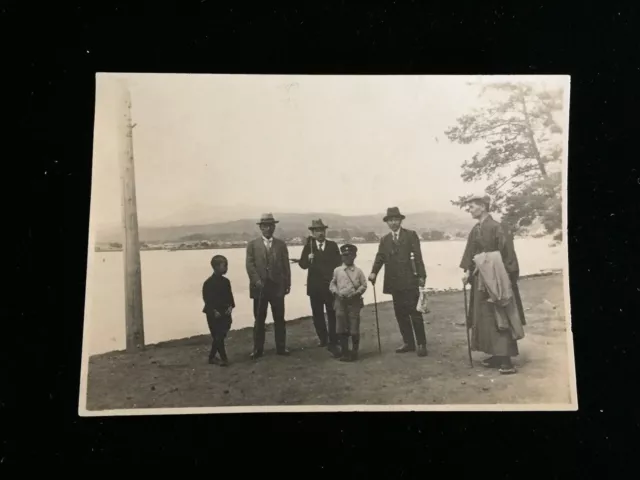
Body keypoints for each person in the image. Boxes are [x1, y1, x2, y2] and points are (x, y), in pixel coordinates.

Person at [460, 193, 527, 375]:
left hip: (497, 279)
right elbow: (470, 253)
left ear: (483, 206)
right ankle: (495, 354)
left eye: (472, 206)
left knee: (500, 315)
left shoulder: (498, 227)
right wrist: (467, 271)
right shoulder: (476, 229)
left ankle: (505, 359)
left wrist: (506, 280)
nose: (470, 210)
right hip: (480, 280)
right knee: (485, 316)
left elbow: (508, 256)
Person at [369, 207, 428, 357]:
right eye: (390, 220)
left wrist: (422, 276)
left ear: (400, 221)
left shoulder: (411, 235)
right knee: (400, 313)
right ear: (387, 223)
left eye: (396, 220)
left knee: (415, 313)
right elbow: (380, 257)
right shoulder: (385, 240)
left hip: (410, 281)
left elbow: (418, 257)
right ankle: (409, 342)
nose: (393, 223)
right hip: (394, 283)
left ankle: (421, 344)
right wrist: (374, 272)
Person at [245, 213, 292, 359]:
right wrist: (257, 281)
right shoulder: (252, 245)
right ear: (261, 228)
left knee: (279, 318)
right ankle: (258, 349)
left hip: (277, 287)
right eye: (265, 226)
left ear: (274, 227)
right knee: (259, 319)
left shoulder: (281, 244)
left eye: (271, 225)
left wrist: (287, 284)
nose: (268, 228)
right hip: (259, 288)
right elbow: (249, 265)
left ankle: (281, 348)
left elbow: (286, 266)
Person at [295, 219, 342, 354]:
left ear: (325, 231)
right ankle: (323, 339)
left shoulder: (332, 246)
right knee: (317, 314)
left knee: (332, 313)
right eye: (317, 231)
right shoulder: (308, 247)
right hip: (314, 287)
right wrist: (308, 259)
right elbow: (302, 265)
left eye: (322, 230)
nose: (320, 233)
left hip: (330, 286)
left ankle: (334, 338)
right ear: (313, 233)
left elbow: (338, 264)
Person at [330, 244, 367, 362]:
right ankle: (345, 352)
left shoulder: (358, 271)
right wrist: (336, 292)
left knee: (354, 327)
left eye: (349, 255)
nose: (347, 258)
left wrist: (357, 293)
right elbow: (332, 284)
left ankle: (354, 352)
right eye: (344, 255)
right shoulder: (337, 270)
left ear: (354, 256)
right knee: (341, 327)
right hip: (340, 301)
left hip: (354, 302)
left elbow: (364, 285)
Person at [202, 255, 235, 367]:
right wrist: (214, 311)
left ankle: (212, 357)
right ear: (216, 267)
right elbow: (207, 300)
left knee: (221, 335)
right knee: (218, 336)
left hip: (225, 312)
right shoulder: (208, 283)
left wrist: (230, 307)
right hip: (213, 314)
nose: (226, 268)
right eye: (224, 266)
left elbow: (230, 297)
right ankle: (223, 358)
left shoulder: (226, 282)